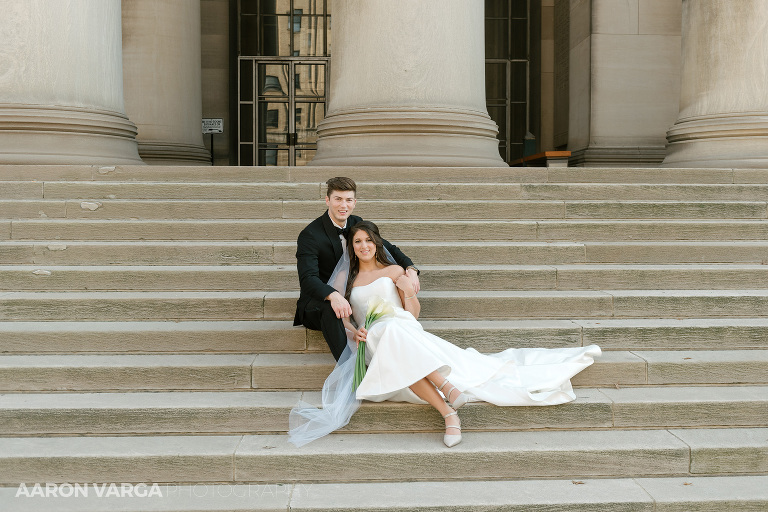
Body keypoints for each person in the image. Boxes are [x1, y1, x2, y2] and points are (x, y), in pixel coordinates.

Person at [289, 221, 601, 448]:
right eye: (358, 242)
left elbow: (412, 315)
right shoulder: (348, 278)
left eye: (368, 240)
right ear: (352, 247)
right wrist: (353, 331)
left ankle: (449, 414)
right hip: (372, 339)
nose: (364, 246)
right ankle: (447, 388)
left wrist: (408, 291)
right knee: (387, 336)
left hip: (402, 330)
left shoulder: (395, 271)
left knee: (394, 333)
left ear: (377, 243)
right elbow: (342, 314)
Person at [293, 177, 420, 361]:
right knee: (331, 309)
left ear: (354, 202)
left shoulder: (356, 222)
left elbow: (388, 248)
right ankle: (350, 367)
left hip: (352, 292)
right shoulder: (310, 235)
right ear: (327, 200)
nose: (343, 205)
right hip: (320, 302)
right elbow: (308, 278)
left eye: (348, 200)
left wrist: (411, 269)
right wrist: (333, 295)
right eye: (338, 199)